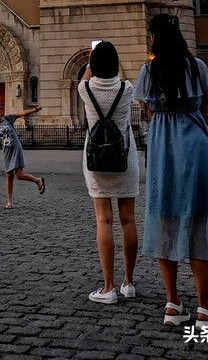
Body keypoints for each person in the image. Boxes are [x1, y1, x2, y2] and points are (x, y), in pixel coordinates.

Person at [134, 14, 208, 328]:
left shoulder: (148, 70)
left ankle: (173, 303)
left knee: (165, 221)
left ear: (154, 38)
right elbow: (206, 104)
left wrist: (161, 109)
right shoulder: (198, 66)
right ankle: (205, 307)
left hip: (163, 146)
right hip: (194, 146)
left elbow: (146, 110)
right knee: (199, 222)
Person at [78, 41, 138, 305]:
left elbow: (85, 77)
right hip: (125, 158)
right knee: (128, 220)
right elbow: (118, 80)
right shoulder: (127, 89)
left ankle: (108, 287)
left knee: (103, 220)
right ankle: (128, 282)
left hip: (97, 159)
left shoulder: (84, 88)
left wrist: (90, 62)